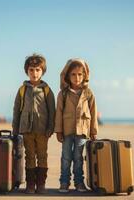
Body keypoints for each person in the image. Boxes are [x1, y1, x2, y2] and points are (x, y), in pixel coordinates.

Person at [12, 53, 55, 194]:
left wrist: (50, 128)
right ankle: (30, 185)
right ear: (27, 71)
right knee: (29, 156)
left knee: (42, 156)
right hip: (26, 129)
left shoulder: (47, 90)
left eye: (37, 70)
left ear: (42, 71)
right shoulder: (22, 90)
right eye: (31, 70)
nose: (34, 73)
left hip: (43, 130)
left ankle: (41, 184)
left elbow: (52, 111)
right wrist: (15, 129)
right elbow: (16, 110)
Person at [54, 58, 98, 193]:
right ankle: (64, 182)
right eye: (73, 74)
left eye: (80, 74)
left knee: (78, 158)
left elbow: (93, 112)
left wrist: (93, 131)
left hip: (82, 131)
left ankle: (79, 182)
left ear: (84, 76)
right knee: (66, 157)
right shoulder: (63, 94)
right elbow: (59, 113)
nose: (77, 77)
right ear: (67, 76)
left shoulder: (88, 93)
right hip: (67, 131)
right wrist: (58, 131)